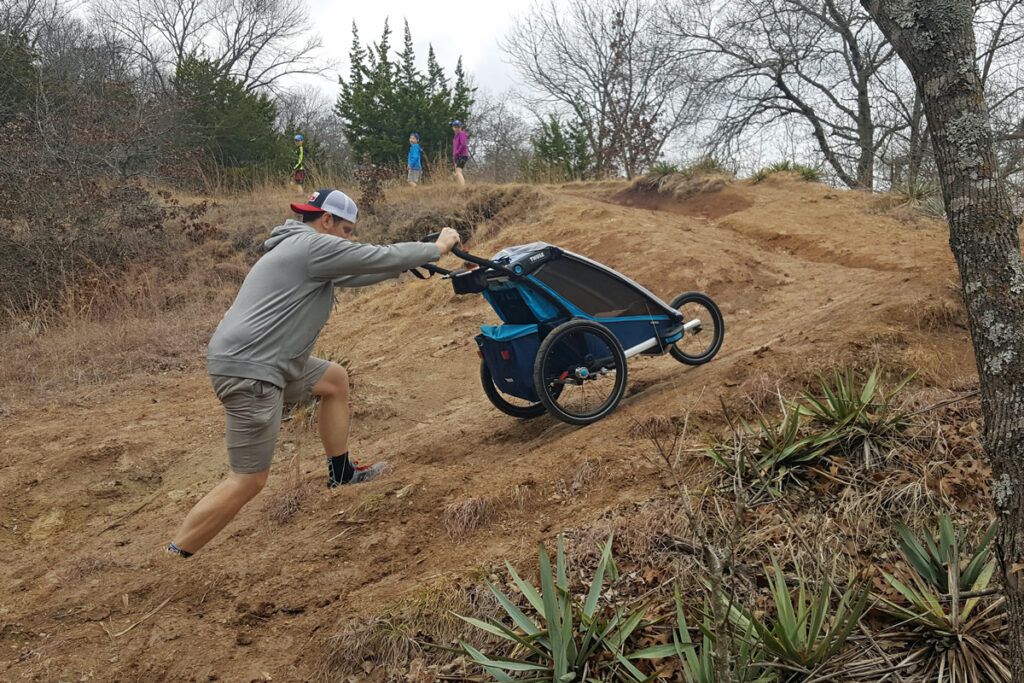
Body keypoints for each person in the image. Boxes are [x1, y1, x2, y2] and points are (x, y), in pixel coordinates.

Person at [167, 189, 461, 558]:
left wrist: (407, 264)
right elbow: (374, 255)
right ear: (326, 221)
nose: (349, 238)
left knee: (333, 379)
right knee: (248, 479)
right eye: (347, 230)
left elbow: (359, 270)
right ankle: (176, 554)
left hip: (263, 361)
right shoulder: (312, 246)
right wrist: (436, 247)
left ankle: (342, 473)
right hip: (253, 370)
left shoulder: (301, 248)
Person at [451, 120, 469, 186]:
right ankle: (459, 186)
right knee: (456, 173)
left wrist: (457, 152)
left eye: (458, 127)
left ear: (460, 127)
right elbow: (455, 147)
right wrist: (455, 156)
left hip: (462, 155)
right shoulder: (455, 137)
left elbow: (463, 144)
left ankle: (463, 187)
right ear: (453, 127)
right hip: (457, 156)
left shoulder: (462, 134)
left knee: (458, 172)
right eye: (455, 127)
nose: (456, 128)